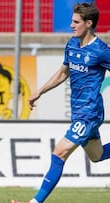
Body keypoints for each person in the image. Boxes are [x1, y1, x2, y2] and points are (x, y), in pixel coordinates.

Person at [11, 3, 110, 203]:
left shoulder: (101, 51)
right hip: (77, 111)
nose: (71, 25)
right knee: (97, 155)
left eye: (76, 22)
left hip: (90, 113)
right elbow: (63, 73)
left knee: (59, 153)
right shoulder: (72, 44)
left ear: (89, 23)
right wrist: (39, 91)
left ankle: (35, 202)